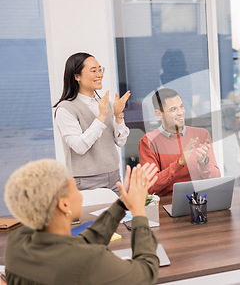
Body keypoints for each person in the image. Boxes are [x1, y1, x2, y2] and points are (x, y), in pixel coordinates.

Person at [4, 159, 159, 284]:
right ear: (64, 205)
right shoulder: (89, 261)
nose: (80, 195)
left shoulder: (17, 243)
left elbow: (81, 244)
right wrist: (138, 211)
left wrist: (122, 204)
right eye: (75, 189)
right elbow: (146, 272)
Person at [54, 52, 131, 194]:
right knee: (91, 217)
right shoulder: (65, 109)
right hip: (85, 182)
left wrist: (118, 115)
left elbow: (120, 142)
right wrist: (101, 117)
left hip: (114, 177)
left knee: (121, 216)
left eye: (100, 69)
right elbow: (79, 147)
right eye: (93, 71)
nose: (99, 74)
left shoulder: (105, 104)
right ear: (77, 76)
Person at [139, 88, 220, 197]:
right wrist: (179, 163)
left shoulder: (201, 134)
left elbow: (216, 180)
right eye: (173, 109)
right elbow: (150, 186)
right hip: (168, 204)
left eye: (181, 106)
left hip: (200, 200)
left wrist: (204, 163)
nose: (180, 112)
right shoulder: (148, 141)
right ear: (159, 114)